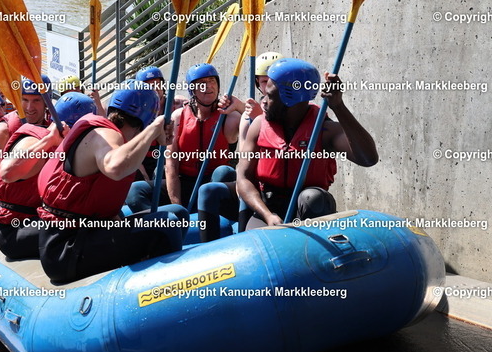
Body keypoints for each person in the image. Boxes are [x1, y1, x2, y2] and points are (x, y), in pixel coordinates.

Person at [37, 80, 188, 284]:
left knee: (179, 214)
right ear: (143, 123)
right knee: (166, 223)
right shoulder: (103, 133)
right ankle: (163, 291)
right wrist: (154, 128)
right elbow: (115, 167)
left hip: (82, 236)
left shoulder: (109, 133)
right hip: (65, 250)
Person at [237, 58, 379, 228]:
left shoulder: (324, 130)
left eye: (270, 96)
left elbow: (368, 159)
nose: (264, 101)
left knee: (313, 197)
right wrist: (267, 215)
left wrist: (338, 106)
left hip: (307, 208)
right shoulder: (259, 124)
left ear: (289, 100)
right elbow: (243, 177)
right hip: (269, 208)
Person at [0, 92, 97, 260]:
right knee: (91, 231)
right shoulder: (35, 140)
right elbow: (7, 173)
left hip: (35, 219)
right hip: (15, 228)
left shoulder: (67, 145)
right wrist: (49, 141)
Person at [126, 63, 240, 213]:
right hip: (184, 181)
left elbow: (259, 124)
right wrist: (177, 206)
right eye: (202, 83)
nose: (209, 86)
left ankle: (209, 218)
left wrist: (240, 106)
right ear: (192, 89)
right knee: (135, 191)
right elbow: (171, 166)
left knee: (224, 171)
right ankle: (170, 220)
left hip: (214, 183)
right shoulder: (178, 117)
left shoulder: (229, 117)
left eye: (212, 81)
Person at [198, 51, 284, 241]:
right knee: (209, 190)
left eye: (275, 80)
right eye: (264, 81)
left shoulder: (293, 110)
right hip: (254, 183)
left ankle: (244, 237)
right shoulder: (248, 114)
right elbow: (244, 156)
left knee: (245, 191)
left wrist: (258, 117)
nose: (270, 86)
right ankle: (208, 248)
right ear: (257, 83)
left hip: (279, 185)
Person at [0, 75, 51, 203]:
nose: (29, 108)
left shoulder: (53, 125)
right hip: (12, 206)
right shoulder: (2, 132)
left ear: (46, 102)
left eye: (36, 100)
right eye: (25, 100)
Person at [134, 66, 166, 181]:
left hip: (167, 159)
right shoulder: (134, 112)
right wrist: (144, 175)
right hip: (142, 161)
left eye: (157, 84)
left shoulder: (176, 105)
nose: (155, 89)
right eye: (149, 86)